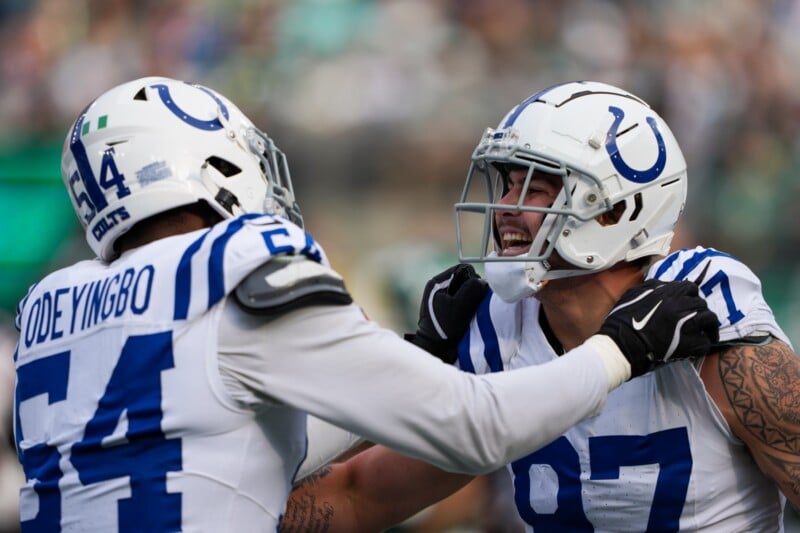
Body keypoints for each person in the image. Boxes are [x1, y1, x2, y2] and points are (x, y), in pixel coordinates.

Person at [11, 77, 718, 532]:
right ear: (213, 167)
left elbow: (241, 434)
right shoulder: (233, 264)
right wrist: (622, 348)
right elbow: (475, 427)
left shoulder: (51, 308)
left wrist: (410, 358)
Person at [282, 80, 800, 532]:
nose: (505, 207)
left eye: (535, 187)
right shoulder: (497, 332)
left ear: (614, 209)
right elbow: (356, 497)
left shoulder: (709, 327)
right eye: (507, 182)